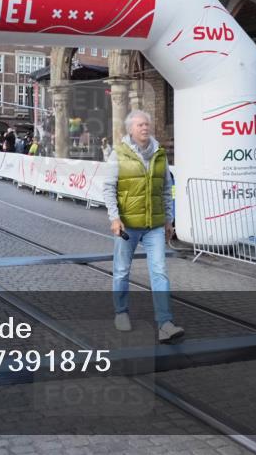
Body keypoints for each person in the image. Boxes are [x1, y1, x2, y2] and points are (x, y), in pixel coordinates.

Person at [103, 109, 184, 343]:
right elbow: (109, 188)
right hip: (127, 225)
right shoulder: (118, 153)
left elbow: (166, 189)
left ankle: (165, 323)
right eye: (140, 125)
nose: (145, 128)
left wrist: (169, 219)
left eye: (147, 124)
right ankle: (121, 312)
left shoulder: (159, 153)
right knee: (121, 270)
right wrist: (114, 218)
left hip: (155, 225)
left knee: (159, 271)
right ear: (130, 129)